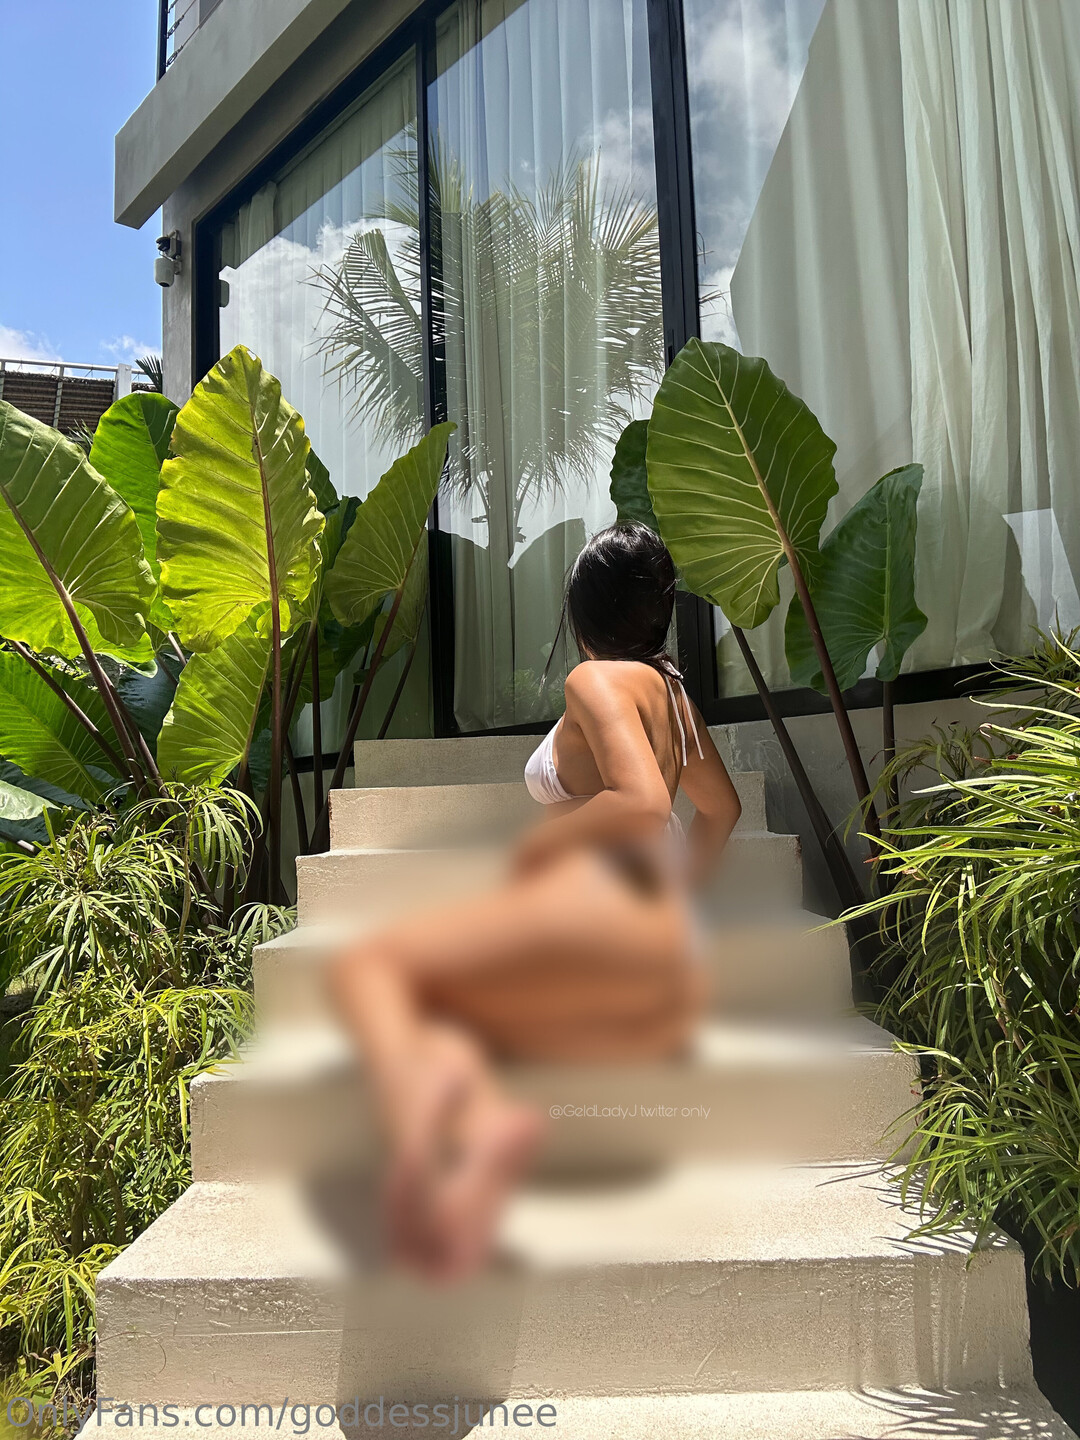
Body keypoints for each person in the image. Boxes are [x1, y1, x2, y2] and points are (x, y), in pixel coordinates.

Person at [331, 522, 743, 1282]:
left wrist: (537, 852)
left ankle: (463, 1149)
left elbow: (642, 804)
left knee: (371, 969)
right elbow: (719, 811)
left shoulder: (595, 681)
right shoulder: (673, 693)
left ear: (583, 615)